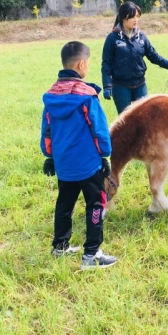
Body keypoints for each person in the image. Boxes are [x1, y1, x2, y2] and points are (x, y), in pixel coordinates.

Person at [40, 41, 118, 270]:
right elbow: (100, 130)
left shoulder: (51, 96)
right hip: (88, 165)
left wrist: (50, 156)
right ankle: (91, 255)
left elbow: (46, 130)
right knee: (95, 205)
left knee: (64, 204)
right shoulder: (87, 97)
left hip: (64, 165)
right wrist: (106, 156)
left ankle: (60, 246)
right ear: (82, 64)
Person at [101, 1, 168, 114]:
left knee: (145, 117)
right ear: (124, 17)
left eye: (138, 16)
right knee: (125, 120)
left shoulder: (141, 36)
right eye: (132, 17)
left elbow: (153, 56)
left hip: (140, 84)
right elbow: (106, 64)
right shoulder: (112, 38)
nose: (136, 20)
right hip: (121, 86)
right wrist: (107, 85)